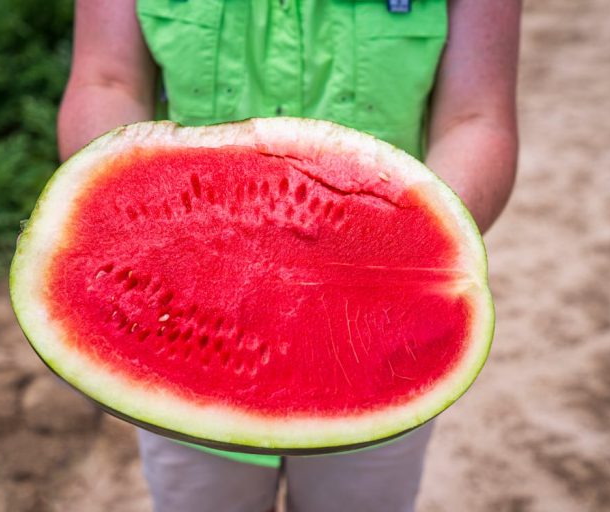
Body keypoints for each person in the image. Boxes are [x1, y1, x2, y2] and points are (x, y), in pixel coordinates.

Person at [57, 1, 520, 511]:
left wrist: (408, 254)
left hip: (383, 330)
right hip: (182, 317)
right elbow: (107, 81)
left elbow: (475, 118)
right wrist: (119, 221)